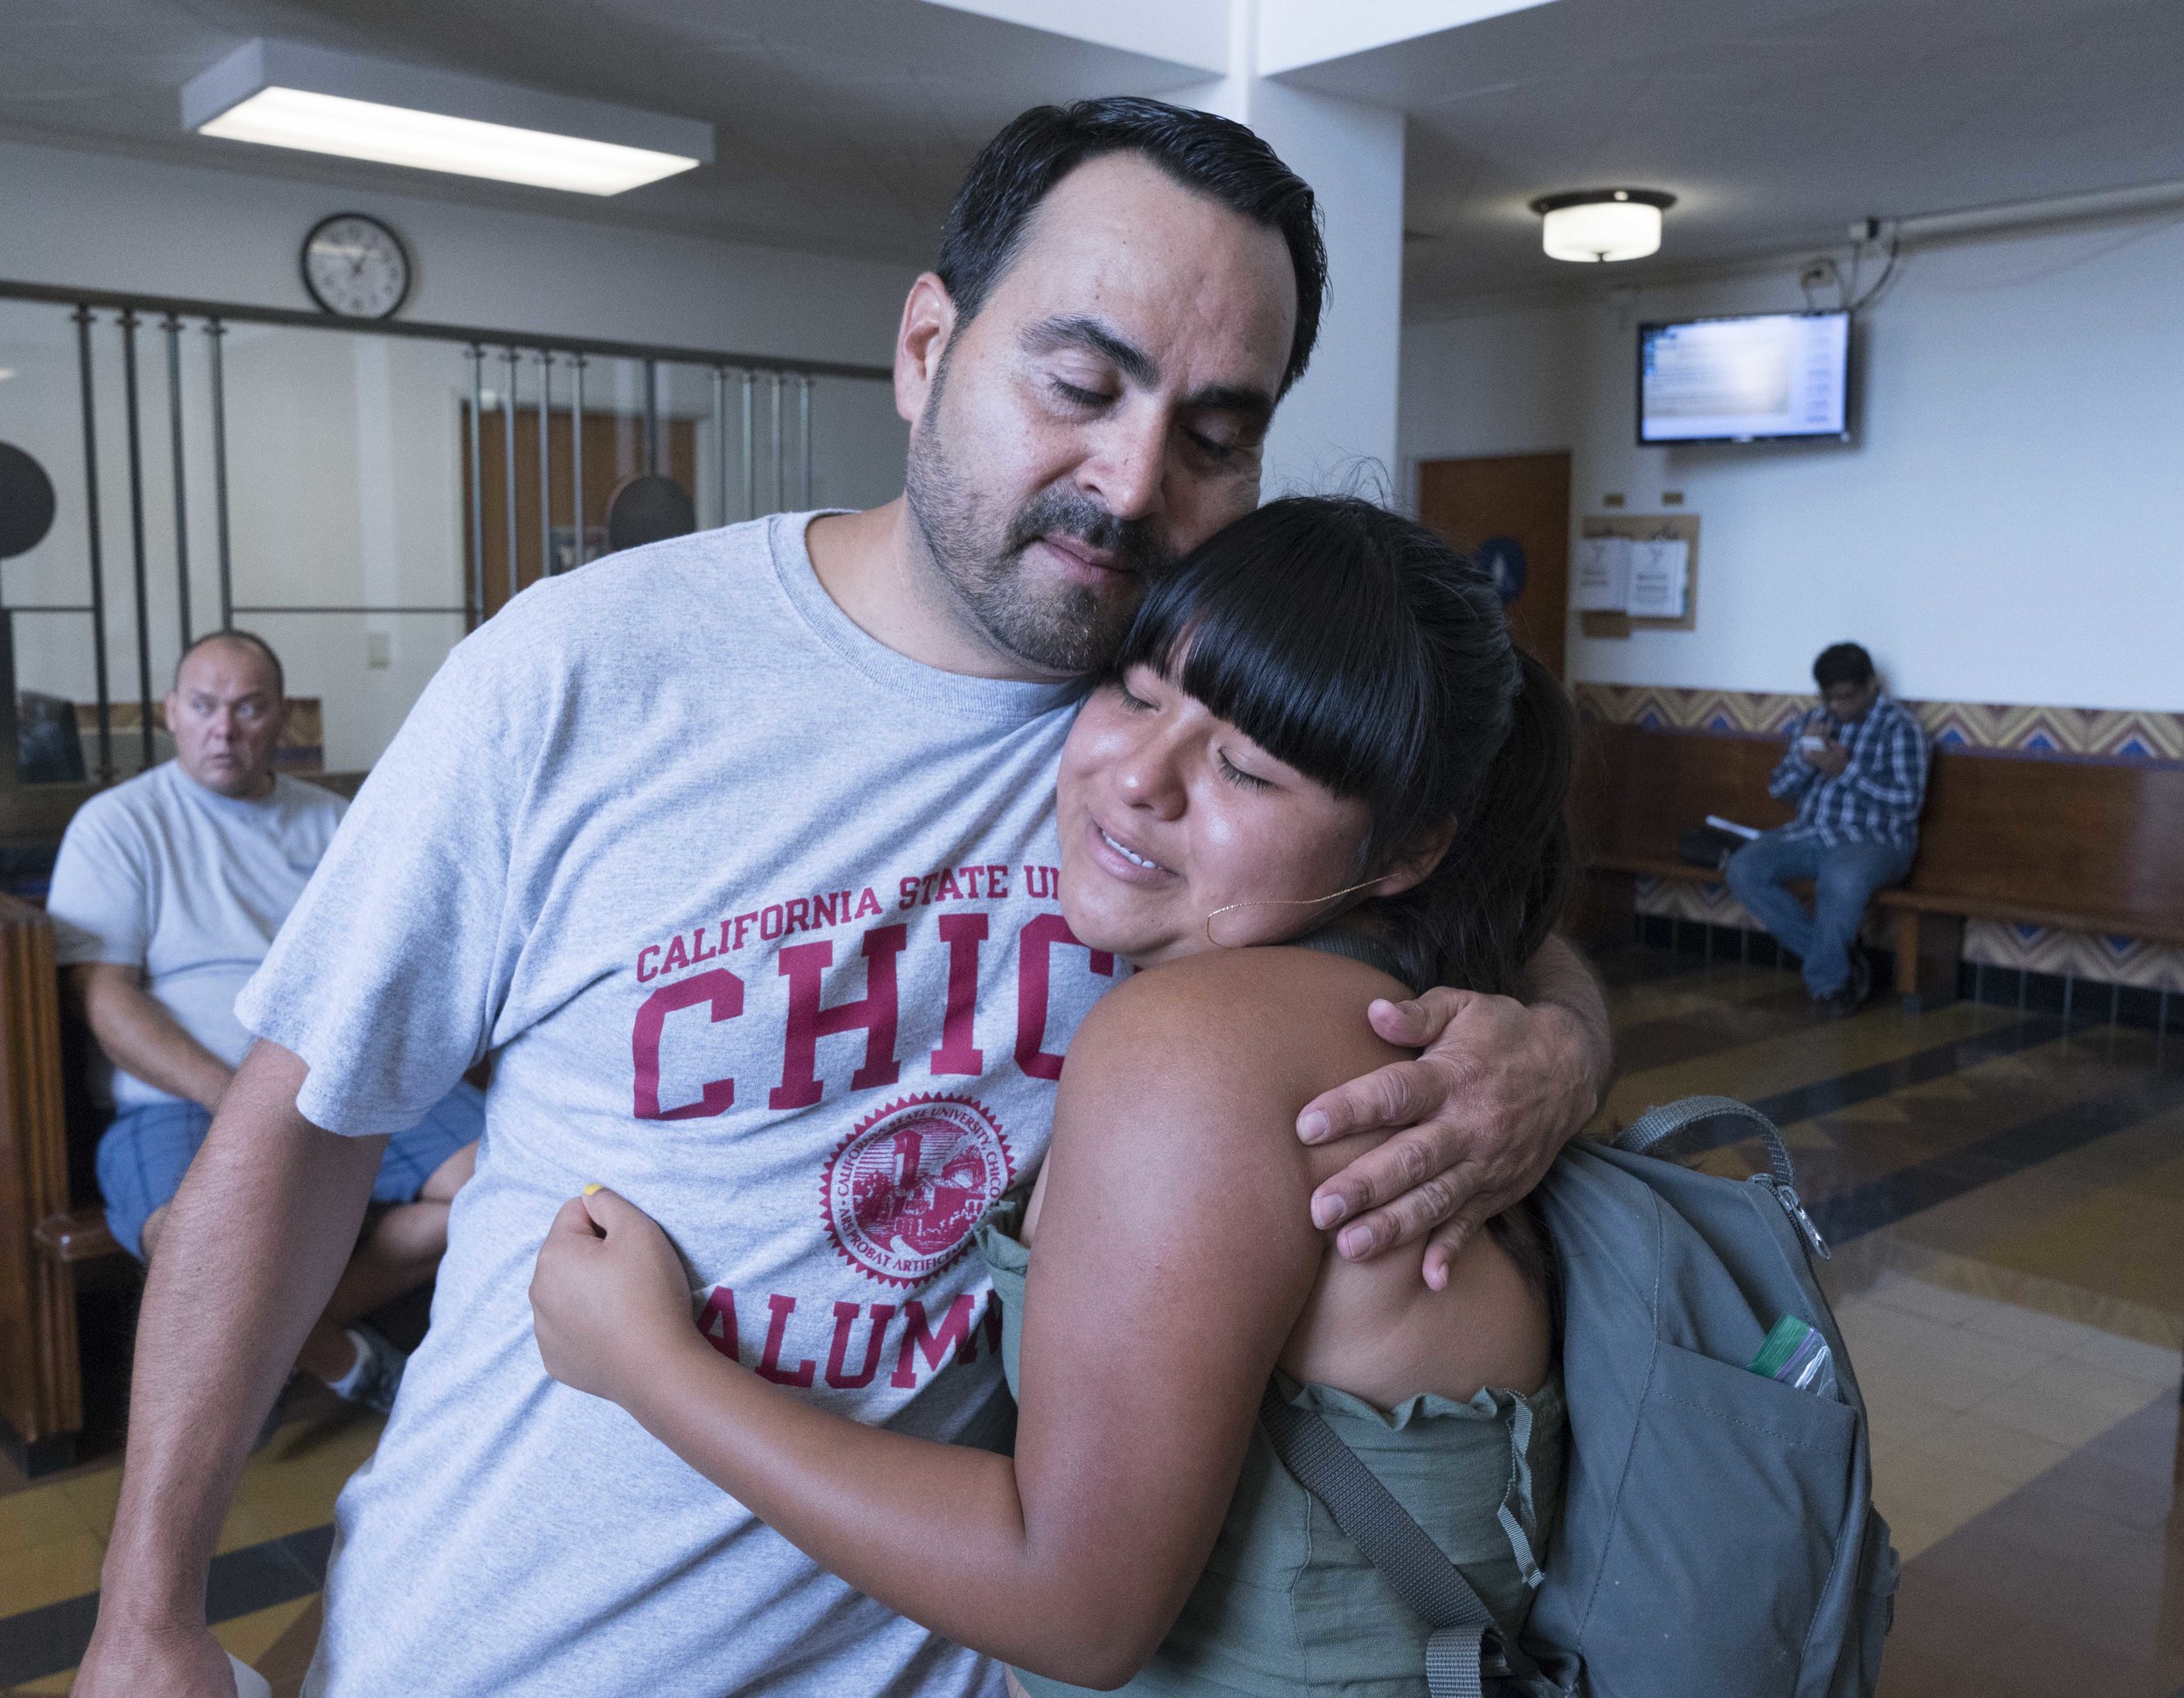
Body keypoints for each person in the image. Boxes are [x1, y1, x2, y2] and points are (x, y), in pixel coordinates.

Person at [78, 100, 1610, 1698]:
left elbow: (1440, 888)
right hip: (497, 1640)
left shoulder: (1183, 755)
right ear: (926, 345)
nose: (1131, 479)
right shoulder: (584, 670)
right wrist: (146, 1609)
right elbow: (295, 1132)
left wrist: (1554, 1049)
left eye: (1214, 435)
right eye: (1078, 383)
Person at [532, 496, 1571, 1695]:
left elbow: (1074, 1606)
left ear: (1407, 851)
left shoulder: (1194, 1045)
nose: (1139, 777)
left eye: (1246, 768)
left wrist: (647, 1358)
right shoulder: (1402, 994)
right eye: (1135, 690)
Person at [45, 631, 480, 1414]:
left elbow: (390, 967)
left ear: (283, 719)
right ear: (170, 713)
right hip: (176, 1095)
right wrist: (236, 1096)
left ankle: (278, 1345)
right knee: (185, 1238)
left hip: (341, 1076)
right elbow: (103, 1001)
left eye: (249, 708)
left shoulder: (334, 822)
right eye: (205, 707)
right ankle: (349, 1360)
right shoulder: (118, 825)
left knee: (502, 1182)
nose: (225, 728)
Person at [1725, 641, 1929, 1016]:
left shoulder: (1900, 729)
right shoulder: (1813, 723)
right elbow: (1779, 790)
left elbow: (1906, 804)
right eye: (1828, 698)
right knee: (1743, 868)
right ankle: (1839, 962)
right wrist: (1807, 761)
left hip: (1876, 841)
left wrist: (1844, 771)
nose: (1836, 708)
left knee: (1841, 878)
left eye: (1846, 698)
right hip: (1813, 833)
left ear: (1870, 685)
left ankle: (1830, 987)